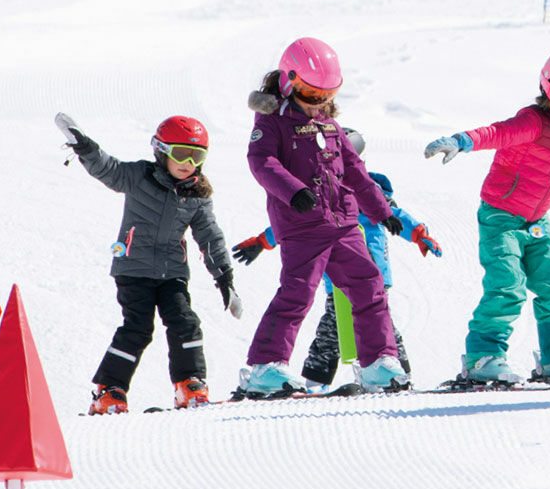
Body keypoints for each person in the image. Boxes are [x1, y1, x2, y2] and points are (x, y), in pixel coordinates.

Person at [423, 48, 550, 384]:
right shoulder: (530, 123)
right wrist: (461, 141)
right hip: (501, 218)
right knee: (507, 285)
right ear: (546, 87)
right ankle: (482, 356)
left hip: (538, 222)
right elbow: (496, 133)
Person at [239, 37, 414, 395]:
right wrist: (294, 190)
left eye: (326, 95)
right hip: (302, 225)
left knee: (370, 286)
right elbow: (262, 162)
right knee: (297, 294)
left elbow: (354, 170)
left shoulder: (330, 126)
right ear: (288, 81)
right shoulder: (272, 122)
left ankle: (378, 362)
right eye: (310, 92)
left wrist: (383, 212)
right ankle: (265, 367)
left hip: (343, 223)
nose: (318, 102)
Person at [56, 113, 241, 414]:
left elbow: (209, 237)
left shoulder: (197, 195)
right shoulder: (140, 176)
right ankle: (109, 390)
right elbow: (108, 169)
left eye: (196, 155)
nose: (188, 163)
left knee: (185, 322)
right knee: (138, 328)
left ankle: (189, 384)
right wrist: (86, 148)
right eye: (181, 154)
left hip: (173, 274)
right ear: (161, 150)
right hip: (134, 270)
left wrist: (225, 279)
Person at [232, 128, 441, 391]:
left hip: (373, 272)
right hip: (335, 280)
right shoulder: (322, 188)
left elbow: (395, 214)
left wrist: (419, 234)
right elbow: (300, 220)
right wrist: (263, 241)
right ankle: (315, 382)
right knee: (331, 331)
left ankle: (397, 374)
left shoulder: (368, 190)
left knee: (380, 319)